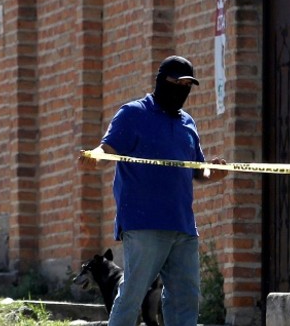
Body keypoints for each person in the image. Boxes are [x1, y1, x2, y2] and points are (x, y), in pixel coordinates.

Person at [77, 55, 228, 325]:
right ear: (161, 81)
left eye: (187, 85)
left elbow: (198, 169)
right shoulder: (133, 114)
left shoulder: (187, 124)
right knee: (132, 294)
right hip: (143, 223)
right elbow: (107, 149)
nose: (182, 89)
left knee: (185, 299)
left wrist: (212, 172)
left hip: (183, 227)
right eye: (177, 82)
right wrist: (95, 156)